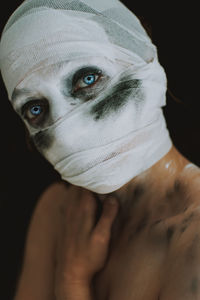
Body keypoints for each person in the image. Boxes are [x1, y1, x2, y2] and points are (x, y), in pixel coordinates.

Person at [0, 0, 200, 299]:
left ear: (143, 60)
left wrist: (71, 282)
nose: (66, 133)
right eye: (35, 108)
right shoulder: (58, 212)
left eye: (87, 79)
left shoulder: (193, 238)